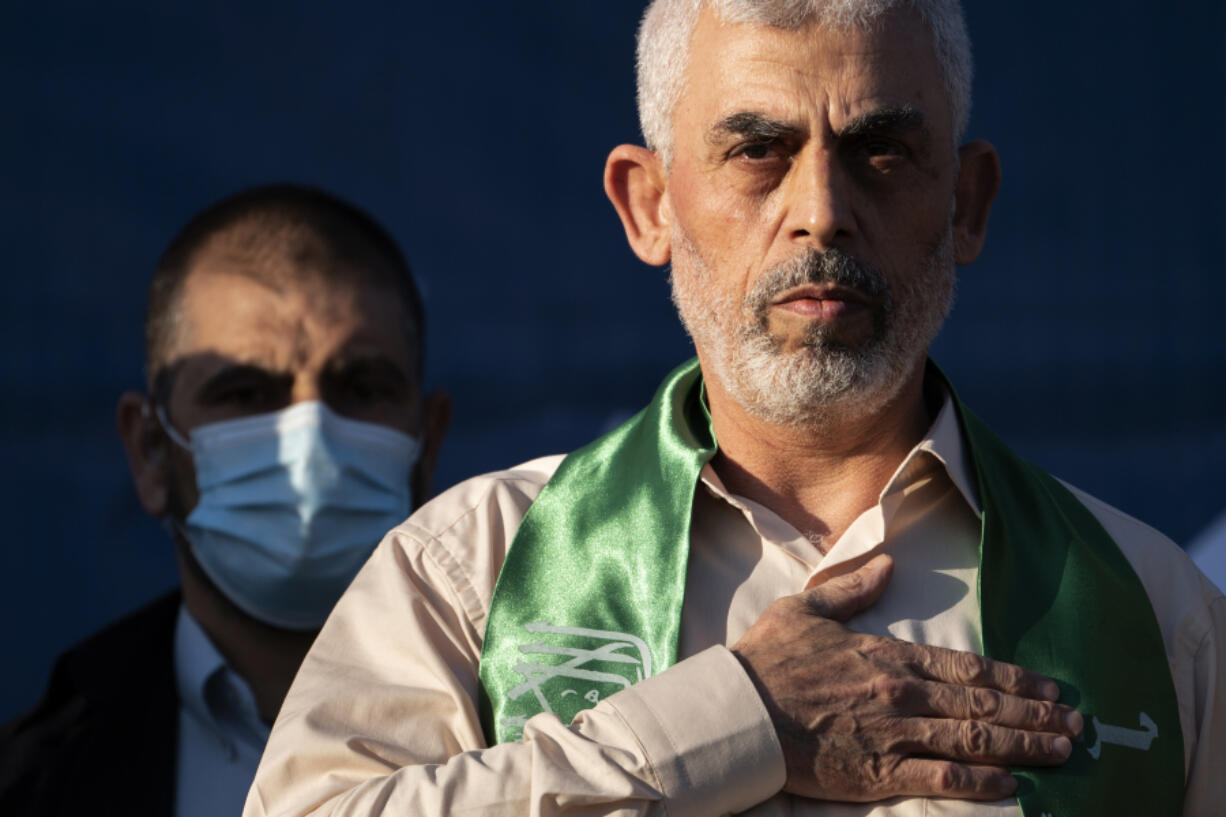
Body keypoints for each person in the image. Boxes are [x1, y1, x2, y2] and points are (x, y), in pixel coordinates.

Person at [246, 2, 1226, 816]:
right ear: (648, 206)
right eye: (757, 149)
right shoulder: (472, 570)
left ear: (964, 203)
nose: (820, 210)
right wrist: (735, 719)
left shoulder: (1155, 613)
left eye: (879, 148)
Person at [0, 184, 451, 817]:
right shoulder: (36, 780)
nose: (310, 442)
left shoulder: (542, 724)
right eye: (244, 394)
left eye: (361, 387)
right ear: (151, 451)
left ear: (427, 445)